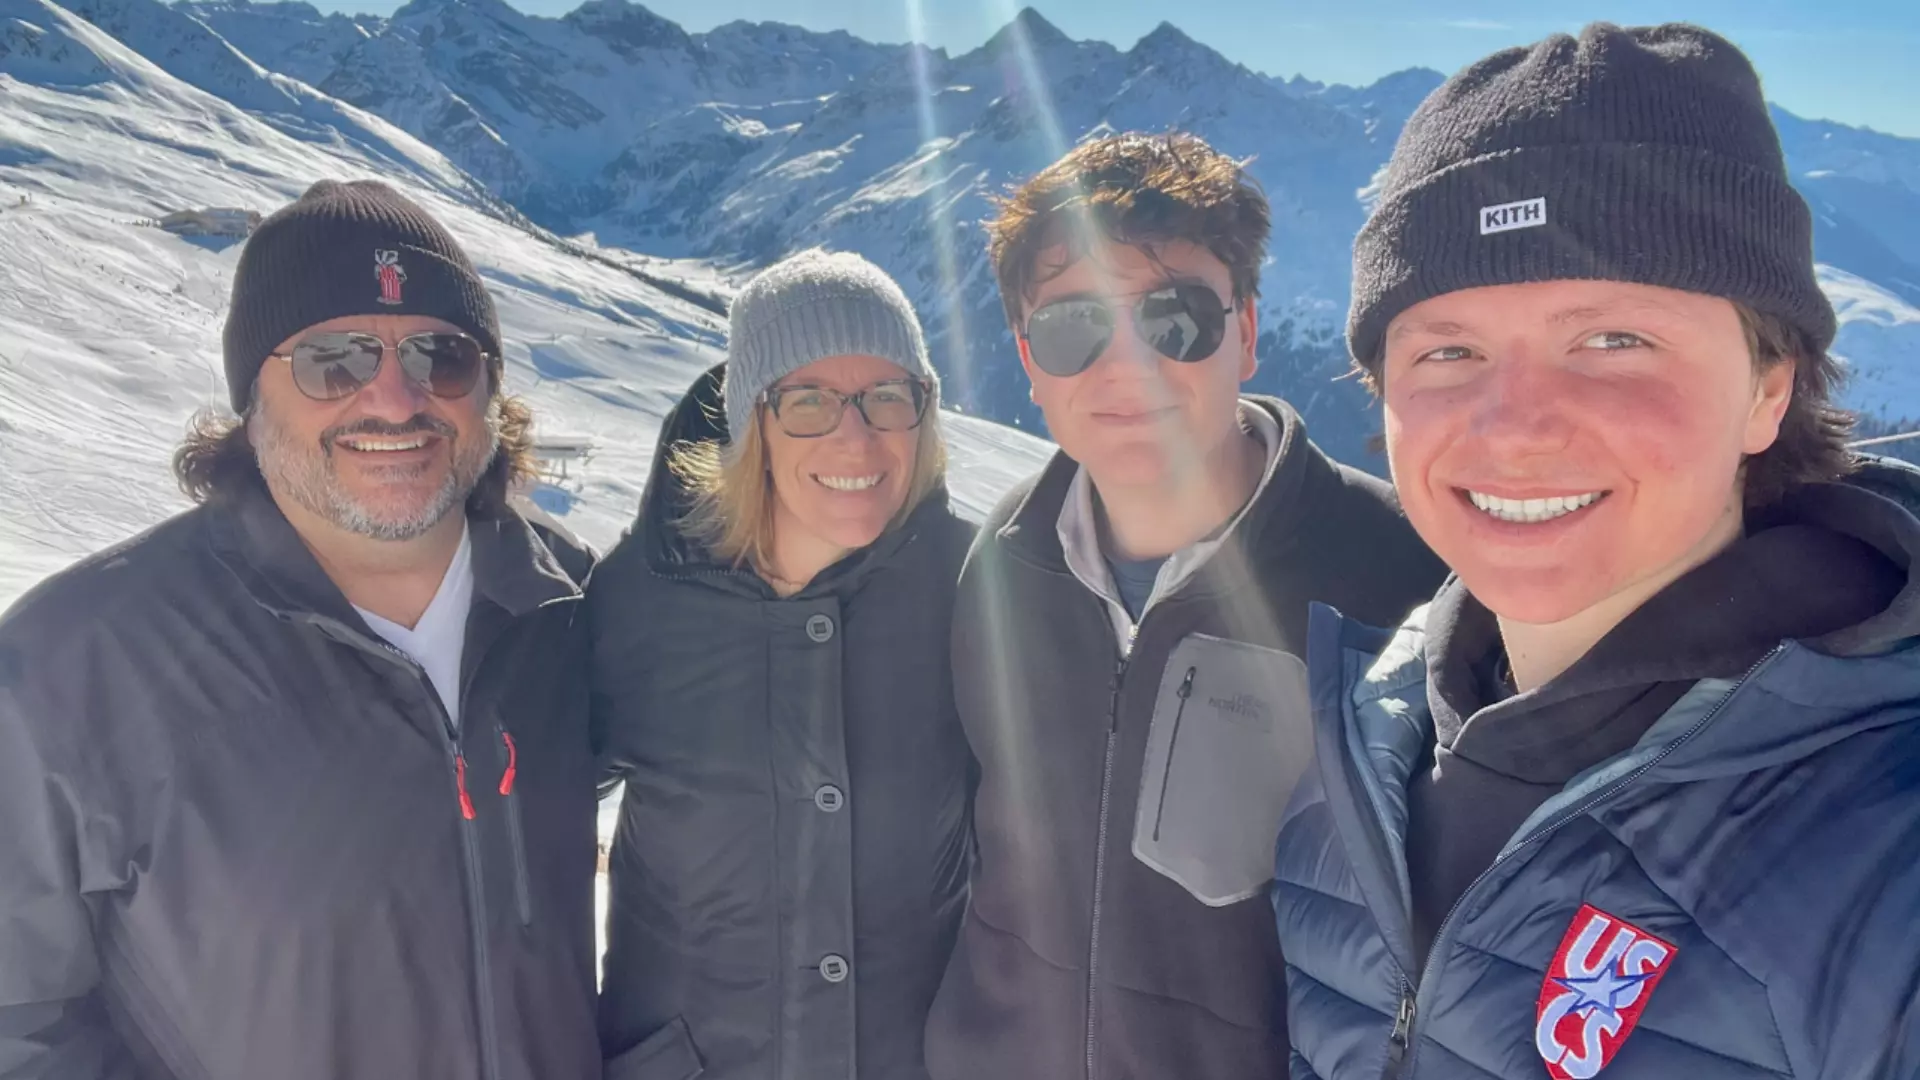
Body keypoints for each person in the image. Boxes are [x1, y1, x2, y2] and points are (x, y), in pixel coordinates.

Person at [1273, 23, 1920, 1080]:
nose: (1516, 427)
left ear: (1768, 389)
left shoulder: (1885, 851)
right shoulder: (1359, 751)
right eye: (1449, 349)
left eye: (1615, 340)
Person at [0, 179, 600, 1080]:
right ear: (252, 400)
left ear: (489, 391)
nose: (395, 399)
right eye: (335, 360)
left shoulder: (568, 605)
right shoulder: (74, 664)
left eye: (441, 357)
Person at [924, 133, 1446, 1080]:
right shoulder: (1005, 560)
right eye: (1073, 327)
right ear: (1029, 361)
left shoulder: (1398, 579)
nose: (1126, 365)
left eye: (1175, 318)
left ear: (1245, 333)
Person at [591, 250, 975, 1080]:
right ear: (752, 423)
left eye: (887, 396)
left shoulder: (976, 593)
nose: (854, 436)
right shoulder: (642, 598)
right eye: (809, 401)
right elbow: (518, 829)